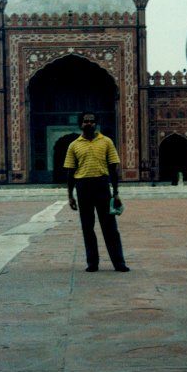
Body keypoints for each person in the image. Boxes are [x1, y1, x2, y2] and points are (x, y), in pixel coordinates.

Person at [64, 111, 130, 273]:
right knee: (88, 227)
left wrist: (115, 192)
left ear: (96, 124)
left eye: (92, 121)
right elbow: (70, 172)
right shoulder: (74, 145)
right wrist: (70, 196)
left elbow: (113, 168)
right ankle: (92, 263)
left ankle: (118, 262)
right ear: (80, 124)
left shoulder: (106, 142)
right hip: (83, 186)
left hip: (102, 185)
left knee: (110, 227)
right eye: (86, 121)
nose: (89, 124)